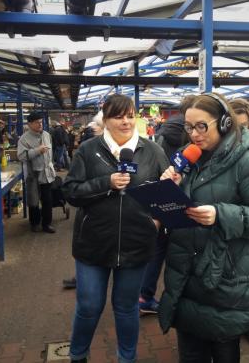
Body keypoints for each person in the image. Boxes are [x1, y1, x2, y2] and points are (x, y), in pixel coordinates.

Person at [159, 93, 249, 363]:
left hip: (225, 281)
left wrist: (220, 214)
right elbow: (176, 210)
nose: (193, 134)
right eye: (188, 127)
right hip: (186, 277)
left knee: (224, 353)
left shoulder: (248, 162)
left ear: (225, 123)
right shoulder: (185, 158)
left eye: (201, 126)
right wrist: (169, 190)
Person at [64, 94, 169, 363]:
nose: (126, 121)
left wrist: (155, 221)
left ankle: (127, 358)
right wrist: (105, 183)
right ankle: (77, 356)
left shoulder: (153, 151)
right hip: (93, 243)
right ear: (106, 119)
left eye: (130, 115)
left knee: (126, 308)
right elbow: (71, 192)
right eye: (118, 116)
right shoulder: (89, 150)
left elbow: (167, 196)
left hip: (136, 245)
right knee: (88, 306)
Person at [138, 95, 196, 315]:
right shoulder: (190, 135)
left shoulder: (163, 131)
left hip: (163, 190)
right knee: (183, 248)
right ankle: (179, 299)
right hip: (180, 191)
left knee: (158, 247)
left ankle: (144, 295)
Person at [18, 112, 56, 233]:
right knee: (33, 200)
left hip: (46, 173)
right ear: (29, 124)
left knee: (47, 200)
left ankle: (47, 224)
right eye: (37, 122)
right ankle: (34, 223)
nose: (40, 124)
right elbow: (21, 156)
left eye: (41, 122)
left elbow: (51, 152)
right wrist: (37, 151)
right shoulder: (24, 139)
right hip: (33, 174)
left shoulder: (46, 135)